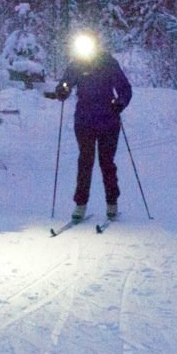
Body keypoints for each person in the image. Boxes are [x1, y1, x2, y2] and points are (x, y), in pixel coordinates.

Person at [46, 32, 132, 222]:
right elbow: (66, 85)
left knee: (106, 162)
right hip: (84, 121)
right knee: (85, 161)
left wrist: (121, 102)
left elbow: (125, 88)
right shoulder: (76, 64)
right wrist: (62, 91)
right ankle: (80, 204)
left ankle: (112, 202)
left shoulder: (109, 63)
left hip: (108, 120)